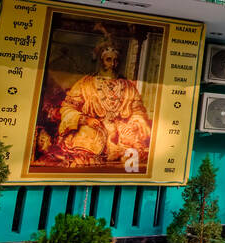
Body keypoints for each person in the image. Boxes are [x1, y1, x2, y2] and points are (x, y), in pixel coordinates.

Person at [41, 33, 151, 168]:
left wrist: (134, 123)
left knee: (134, 145)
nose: (112, 64)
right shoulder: (86, 83)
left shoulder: (128, 87)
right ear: (102, 60)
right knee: (86, 143)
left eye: (115, 60)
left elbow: (137, 110)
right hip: (93, 127)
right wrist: (85, 120)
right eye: (108, 60)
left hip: (119, 130)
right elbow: (68, 108)